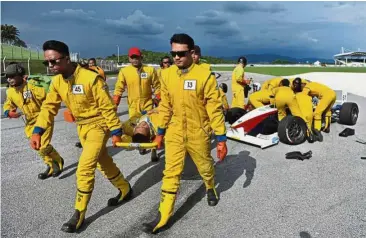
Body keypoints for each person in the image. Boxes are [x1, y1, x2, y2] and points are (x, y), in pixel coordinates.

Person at [29, 40, 132, 233]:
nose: (50, 66)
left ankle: (78, 213)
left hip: (99, 126)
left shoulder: (90, 78)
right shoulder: (58, 81)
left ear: (67, 59)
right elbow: (49, 107)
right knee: (103, 161)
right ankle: (125, 188)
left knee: (84, 168)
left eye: (54, 61)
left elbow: (107, 107)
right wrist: (38, 131)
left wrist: (116, 132)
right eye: (47, 63)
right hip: (82, 128)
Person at [142, 33, 228, 234]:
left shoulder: (204, 75)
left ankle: (210, 186)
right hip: (175, 132)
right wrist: (160, 132)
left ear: (191, 52)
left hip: (199, 132)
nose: (176, 57)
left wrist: (221, 138)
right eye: (173, 53)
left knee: (205, 166)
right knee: (170, 172)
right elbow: (165, 107)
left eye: (181, 53)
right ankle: (163, 216)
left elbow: (214, 109)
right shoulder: (167, 75)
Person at [3, 63, 64, 180]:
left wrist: (34, 84)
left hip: (43, 118)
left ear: (20, 75)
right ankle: (51, 166)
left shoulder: (32, 85)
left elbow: (48, 96)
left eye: (12, 76)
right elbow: (8, 104)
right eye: (7, 77)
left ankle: (58, 161)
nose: (9, 79)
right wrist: (8, 112)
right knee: (36, 146)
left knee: (43, 145)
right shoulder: (10, 91)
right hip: (29, 122)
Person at [113, 47, 161, 116]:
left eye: (137, 57)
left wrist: (159, 100)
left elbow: (157, 86)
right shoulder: (124, 71)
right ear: (129, 58)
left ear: (141, 57)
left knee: (148, 125)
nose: (135, 60)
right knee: (134, 126)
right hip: (133, 107)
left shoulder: (150, 70)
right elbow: (118, 89)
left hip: (148, 105)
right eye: (132, 58)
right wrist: (115, 104)